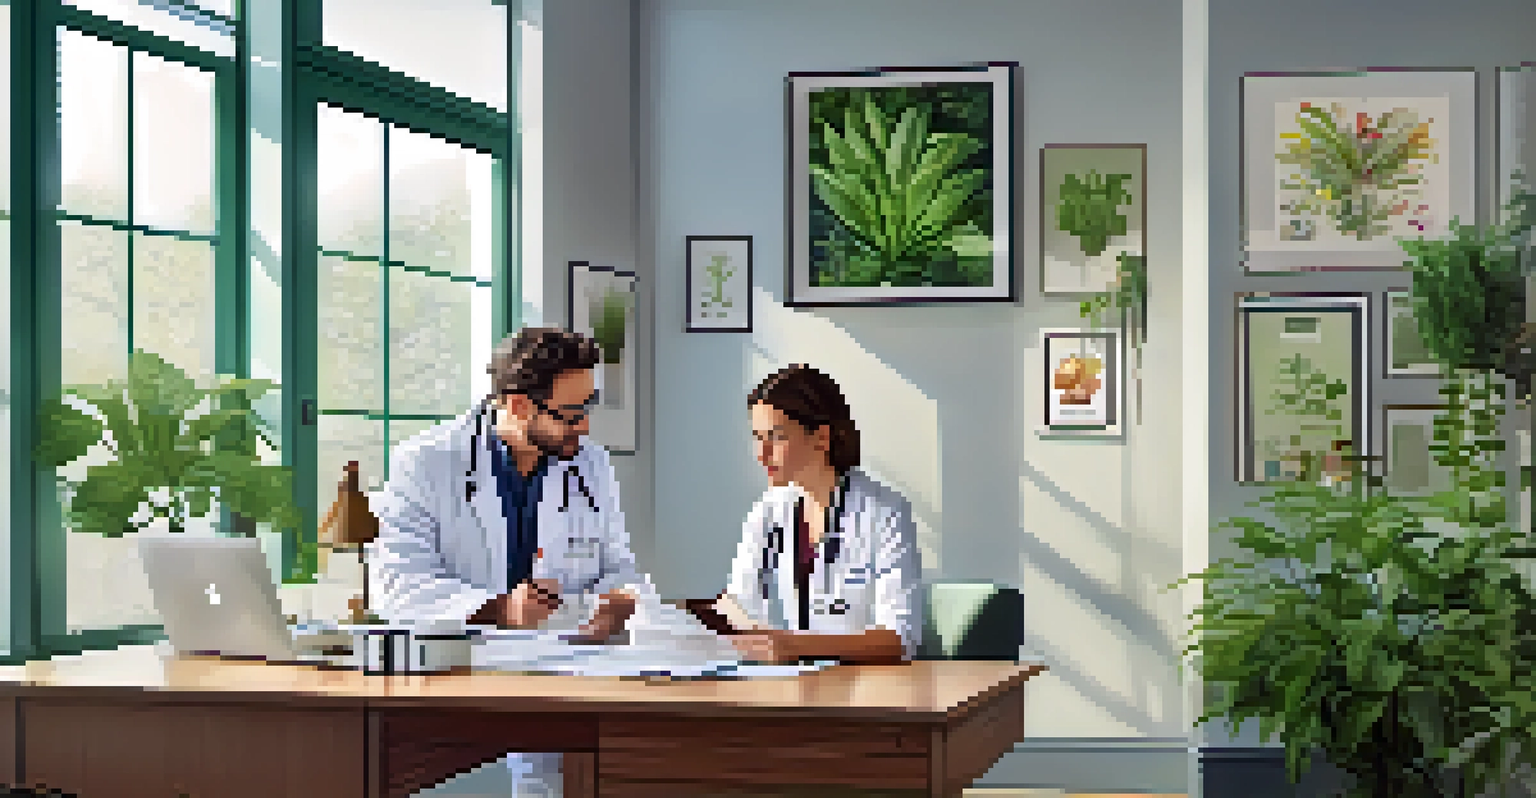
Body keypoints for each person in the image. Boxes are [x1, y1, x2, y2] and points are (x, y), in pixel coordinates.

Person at [370, 326, 654, 642]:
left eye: (587, 408)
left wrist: (619, 602)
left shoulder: (591, 464)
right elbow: (397, 587)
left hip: (569, 660)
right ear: (518, 406)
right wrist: (500, 609)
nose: (584, 427)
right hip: (462, 663)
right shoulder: (425, 462)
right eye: (571, 415)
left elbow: (617, 567)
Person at [710, 364, 924, 665]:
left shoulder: (884, 512)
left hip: (864, 692)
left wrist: (796, 646)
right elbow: (738, 608)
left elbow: (899, 639)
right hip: (787, 687)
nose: (762, 453)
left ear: (821, 437)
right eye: (758, 437)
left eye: (777, 437)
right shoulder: (768, 511)